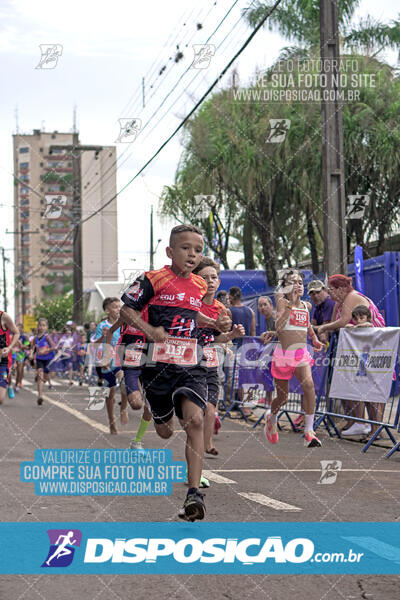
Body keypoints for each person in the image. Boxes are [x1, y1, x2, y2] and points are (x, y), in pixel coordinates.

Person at [119, 224, 229, 522]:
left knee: (195, 419)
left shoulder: (199, 285)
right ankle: (158, 414)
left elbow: (192, 314)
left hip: (190, 364)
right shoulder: (153, 280)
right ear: (170, 251)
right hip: (156, 369)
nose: (192, 254)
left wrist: (213, 324)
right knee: (166, 431)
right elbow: (125, 309)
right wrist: (149, 330)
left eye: (197, 249)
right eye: (185, 248)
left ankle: (194, 493)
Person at [317, 274, 385, 436]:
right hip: (359, 349)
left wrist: (322, 328)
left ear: (341, 289)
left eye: (331, 289)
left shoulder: (351, 297)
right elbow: (335, 323)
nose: (329, 292)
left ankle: (376, 429)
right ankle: (356, 422)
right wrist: (326, 329)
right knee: (357, 385)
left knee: (371, 387)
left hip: (372, 347)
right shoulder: (340, 302)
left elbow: (342, 321)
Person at [264, 270, 324, 448]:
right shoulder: (283, 303)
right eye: (293, 282)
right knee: (282, 397)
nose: (298, 285)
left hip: (301, 353)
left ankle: (309, 431)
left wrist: (314, 339)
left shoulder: (306, 306)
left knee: (309, 385)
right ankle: (272, 417)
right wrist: (289, 305)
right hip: (284, 355)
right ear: (286, 286)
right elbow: (279, 327)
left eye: (300, 282)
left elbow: (307, 325)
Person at [193, 257, 244, 457]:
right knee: (196, 411)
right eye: (205, 278)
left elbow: (218, 338)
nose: (210, 281)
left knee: (211, 405)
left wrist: (232, 335)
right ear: (196, 281)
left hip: (210, 359)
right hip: (189, 362)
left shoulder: (222, 309)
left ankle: (208, 442)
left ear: (219, 282)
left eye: (214, 277)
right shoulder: (191, 304)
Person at [94, 298, 129, 434]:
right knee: (111, 393)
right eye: (115, 307)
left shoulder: (123, 324)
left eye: (119, 307)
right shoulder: (102, 326)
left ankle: (123, 408)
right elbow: (95, 344)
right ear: (107, 310)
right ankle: (111, 421)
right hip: (106, 362)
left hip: (120, 360)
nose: (118, 309)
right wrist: (102, 337)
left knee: (124, 383)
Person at [31, 318, 56, 405]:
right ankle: (40, 396)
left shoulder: (47, 336)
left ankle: (46, 380)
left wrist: (46, 350)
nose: (41, 327)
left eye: (43, 325)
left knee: (46, 377)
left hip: (48, 359)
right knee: (40, 376)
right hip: (39, 359)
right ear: (38, 327)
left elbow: (54, 347)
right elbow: (33, 347)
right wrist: (31, 354)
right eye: (40, 325)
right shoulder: (35, 338)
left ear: (46, 327)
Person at [0, 310, 19, 405]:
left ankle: (9, 386)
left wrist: (9, 348)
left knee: (0, 399)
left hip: (3, 360)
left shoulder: (4, 317)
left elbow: (16, 333)